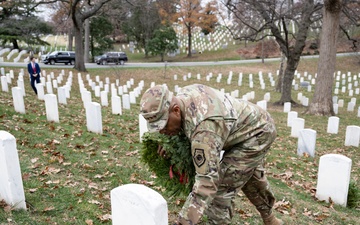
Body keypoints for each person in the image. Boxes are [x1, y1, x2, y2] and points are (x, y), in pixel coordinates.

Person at [140, 84, 283, 225]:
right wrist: (169, 146)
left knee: (223, 186)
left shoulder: (204, 130)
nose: (162, 131)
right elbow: (185, 126)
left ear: (176, 110)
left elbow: (207, 182)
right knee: (250, 177)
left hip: (258, 133)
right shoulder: (182, 97)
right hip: (241, 127)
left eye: (163, 125)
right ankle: (270, 219)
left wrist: (183, 222)